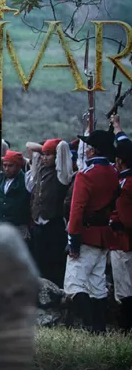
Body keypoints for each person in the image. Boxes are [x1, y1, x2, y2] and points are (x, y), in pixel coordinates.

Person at [65, 130, 118, 333]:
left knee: (74, 284)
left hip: (86, 235)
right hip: (104, 234)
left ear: (93, 150)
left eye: (88, 146)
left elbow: (76, 211)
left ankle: (88, 325)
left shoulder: (86, 175)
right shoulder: (114, 173)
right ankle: (99, 328)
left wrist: (73, 242)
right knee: (97, 284)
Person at [24, 138, 73, 287]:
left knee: (54, 264)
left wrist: (50, 148)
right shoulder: (39, 170)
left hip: (54, 225)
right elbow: (29, 145)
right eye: (43, 154)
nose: (44, 158)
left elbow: (63, 147)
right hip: (38, 226)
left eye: (48, 155)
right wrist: (45, 149)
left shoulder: (61, 175)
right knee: (39, 262)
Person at [110, 138, 132, 331]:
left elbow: (125, 219)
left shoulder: (126, 184)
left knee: (124, 288)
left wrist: (114, 220)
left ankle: (126, 327)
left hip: (123, 241)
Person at [0, 150, 31, 239]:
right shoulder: (0, 178)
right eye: (5, 165)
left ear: (18, 166)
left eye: (10, 166)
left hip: (17, 227)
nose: (6, 168)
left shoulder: (26, 180)